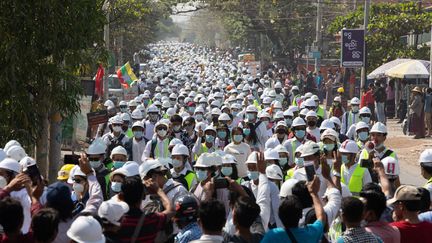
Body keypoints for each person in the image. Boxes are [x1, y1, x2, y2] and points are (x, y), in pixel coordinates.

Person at [261, 175, 325, 243]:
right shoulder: (311, 233)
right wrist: (314, 194)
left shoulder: (273, 235)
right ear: (300, 214)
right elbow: (321, 217)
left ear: (279, 215)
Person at [117, 177, 173, 243]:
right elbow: (171, 210)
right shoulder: (152, 219)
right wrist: (158, 190)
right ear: (143, 196)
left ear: (121, 197)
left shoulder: (115, 222)